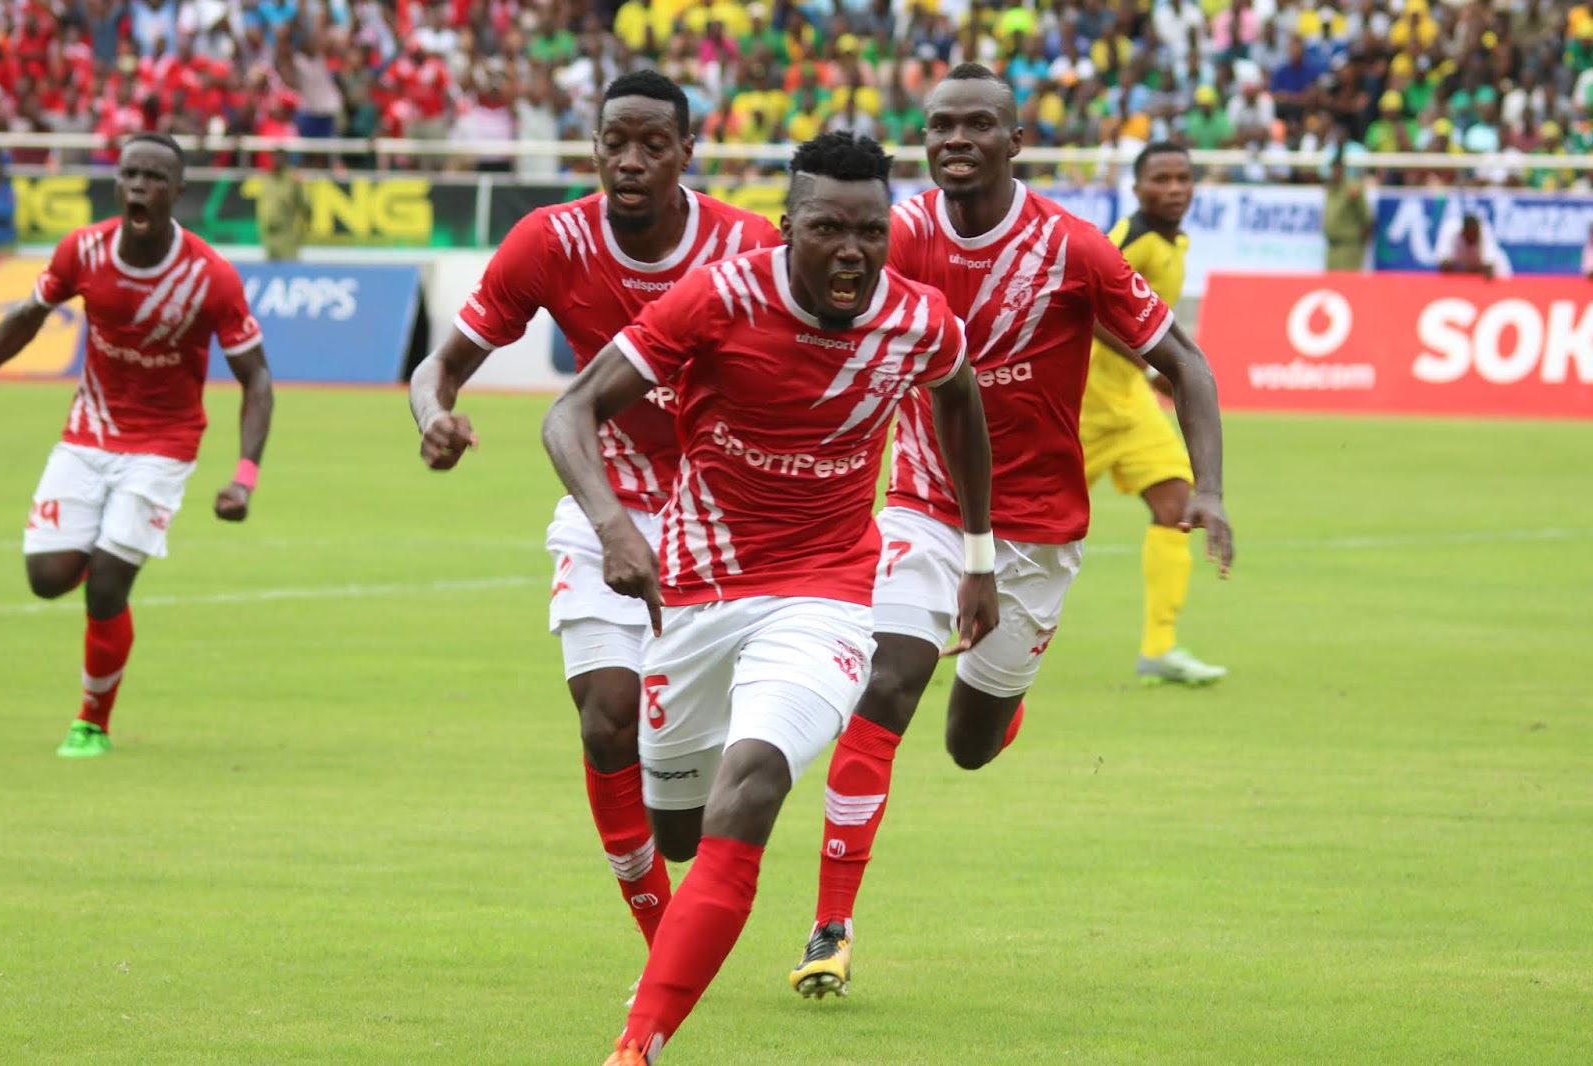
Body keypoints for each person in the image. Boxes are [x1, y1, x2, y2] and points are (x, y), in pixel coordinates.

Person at [542, 131, 997, 1066]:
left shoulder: (919, 319)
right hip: (697, 596)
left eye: (870, 231)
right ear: (787, 226)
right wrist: (615, 527)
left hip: (826, 594)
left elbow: (958, 398)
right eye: (828, 228)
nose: (852, 251)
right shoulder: (718, 298)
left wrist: (979, 552)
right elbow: (570, 410)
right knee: (678, 829)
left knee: (750, 788)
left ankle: (636, 1047)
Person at [791, 65, 1234, 999]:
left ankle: (1005, 698)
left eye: (977, 125)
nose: (955, 139)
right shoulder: (895, 234)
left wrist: (1212, 490)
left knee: (969, 742)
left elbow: (1187, 365)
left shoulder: (1074, 249)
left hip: (1039, 531)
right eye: (939, 125)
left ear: (1015, 141)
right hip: (924, 503)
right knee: (889, 682)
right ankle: (831, 926)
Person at [407, 71, 780, 969]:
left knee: (681, 824)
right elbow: (439, 366)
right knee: (607, 716)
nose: (631, 160)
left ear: (688, 151)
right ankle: (664, 944)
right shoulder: (551, 241)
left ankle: (690, 838)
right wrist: (433, 417)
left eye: (653, 144)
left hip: (725, 524)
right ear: (596, 148)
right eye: (616, 142)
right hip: (602, 503)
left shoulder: (747, 244)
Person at [0, 132, 273, 757]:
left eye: (154, 177)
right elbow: (27, 319)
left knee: (106, 586)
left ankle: (92, 722)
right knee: (46, 579)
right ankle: (104, 543)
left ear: (177, 192)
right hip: (88, 433)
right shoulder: (82, 251)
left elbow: (257, 379)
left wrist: (244, 475)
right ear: (117, 184)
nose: (139, 186)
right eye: (130, 175)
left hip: (164, 445)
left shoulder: (210, 277)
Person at [1081, 142, 1227, 686]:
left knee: (1177, 504)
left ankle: (1159, 649)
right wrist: (1149, 367)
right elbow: (1087, 307)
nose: (1174, 189)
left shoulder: (1173, 240)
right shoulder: (1130, 239)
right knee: (1015, 523)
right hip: (1082, 403)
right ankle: (934, 625)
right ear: (1137, 188)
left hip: (1129, 403)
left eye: (1183, 178)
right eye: (1161, 179)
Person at [1323, 154, 1373, 272]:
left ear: (1343, 169)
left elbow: (1366, 216)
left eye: (1337, 168)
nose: (1335, 172)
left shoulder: (1352, 188)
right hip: (1332, 245)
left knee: (1348, 279)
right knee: (1331, 280)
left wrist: (1361, 239)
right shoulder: (1331, 188)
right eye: (1333, 169)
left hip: (1349, 245)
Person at [255, 155, 310, 262]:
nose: (276, 161)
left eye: (280, 158)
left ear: (286, 160)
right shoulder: (268, 178)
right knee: (269, 268)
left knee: (289, 267)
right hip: (268, 234)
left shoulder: (293, 179)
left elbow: (305, 206)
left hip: (286, 235)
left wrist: (304, 231)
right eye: (274, 158)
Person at [1435, 212, 1512, 280]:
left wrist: (1470, 273)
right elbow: (1443, 264)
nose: (1472, 236)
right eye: (1470, 233)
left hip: (1490, 270)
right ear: (1463, 232)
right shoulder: (1451, 230)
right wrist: (1463, 276)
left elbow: (1488, 268)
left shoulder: (1485, 231)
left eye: (1474, 233)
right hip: (1462, 269)